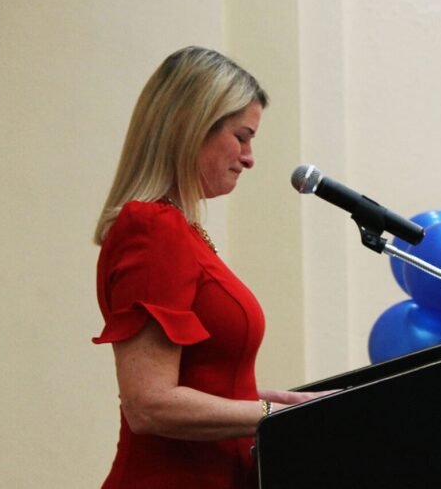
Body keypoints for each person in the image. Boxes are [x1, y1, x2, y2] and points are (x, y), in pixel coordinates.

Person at [92, 46, 326, 488]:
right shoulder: (153, 227)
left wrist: (273, 400)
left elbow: (194, 377)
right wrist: (273, 415)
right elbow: (150, 404)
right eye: (242, 136)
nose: (250, 156)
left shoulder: (181, 231)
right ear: (192, 125)